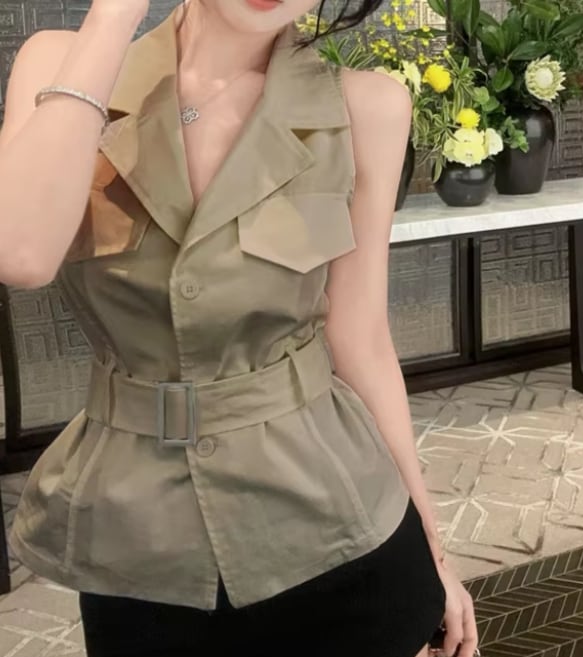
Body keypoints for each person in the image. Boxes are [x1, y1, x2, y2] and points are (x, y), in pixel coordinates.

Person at [0, 0, 479, 654]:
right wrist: (113, 18)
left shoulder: (366, 107)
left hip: (339, 528)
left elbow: (362, 338)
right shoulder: (63, 64)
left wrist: (434, 551)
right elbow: (20, 251)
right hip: (139, 541)